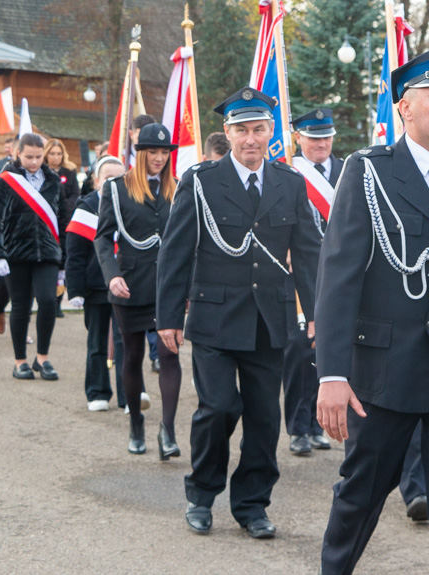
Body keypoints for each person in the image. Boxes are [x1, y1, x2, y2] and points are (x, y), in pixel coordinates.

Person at [315, 44, 429, 574]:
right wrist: (332, 373)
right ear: (405, 106)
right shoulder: (368, 173)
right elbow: (339, 280)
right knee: (360, 494)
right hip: (382, 371)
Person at [156, 87, 321, 538]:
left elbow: (307, 253)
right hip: (214, 319)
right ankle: (202, 493)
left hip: (270, 320)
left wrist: (320, 314)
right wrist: (168, 316)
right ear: (227, 133)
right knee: (219, 407)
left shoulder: (290, 183)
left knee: (266, 418)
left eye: (260, 129)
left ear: (272, 131)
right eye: (243, 130)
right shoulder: (201, 182)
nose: (252, 138)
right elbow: (175, 252)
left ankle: (251, 505)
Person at [94, 123, 182, 457]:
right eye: (153, 152)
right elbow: (103, 237)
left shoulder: (179, 187)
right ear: (139, 153)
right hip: (129, 284)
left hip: (169, 285)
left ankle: (168, 432)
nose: (159, 158)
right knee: (132, 356)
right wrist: (112, 275)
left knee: (171, 354)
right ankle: (136, 425)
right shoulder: (116, 189)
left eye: (164, 152)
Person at [0, 133, 68, 379]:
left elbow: (63, 219)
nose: (34, 162)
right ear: (17, 153)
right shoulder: (5, 180)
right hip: (15, 252)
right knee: (21, 306)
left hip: (48, 252)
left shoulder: (53, 180)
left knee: (48, 301)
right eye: (29, 157)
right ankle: (19, 360)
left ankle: (42, 358)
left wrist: (64, 260)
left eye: (38, 157)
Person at [284, 108, 343, 456]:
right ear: (299, 138)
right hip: (299, 275)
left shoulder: (349, 171)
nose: (321, 143)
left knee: (330, 351)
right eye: (313, 137)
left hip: (340, 275)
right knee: (298, 351)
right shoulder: (289, 173)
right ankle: (297, 427)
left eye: (326, 136)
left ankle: (320, 425)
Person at [66, 156, 126, 411]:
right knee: (97, 342)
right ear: (97, 181)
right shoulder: (86, 207)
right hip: (96, 287)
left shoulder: (134, 204)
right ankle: (97, 392)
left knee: (126, 343)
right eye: (108, 178)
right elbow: (75, 254)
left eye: (119, 177)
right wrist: (76, 289)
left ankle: (129, 395)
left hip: (126, 287)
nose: (113, 182)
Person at [43, 139, 81, 318]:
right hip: (47, 221)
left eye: (59, 153)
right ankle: (47, 298)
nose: (56, 157)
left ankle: (58, 301)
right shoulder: (42, 171)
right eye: (52, 153)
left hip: (65, 221)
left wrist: (67, 206)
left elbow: (75, 193)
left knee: (62, 262)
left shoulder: (69, 171)